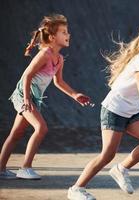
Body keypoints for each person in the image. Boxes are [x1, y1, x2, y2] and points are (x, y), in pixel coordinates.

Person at [67, 21, 139, 200]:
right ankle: (76, 189)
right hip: (114, 109)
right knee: (107, 154)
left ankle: (121, 169)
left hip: (132, 111)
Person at [0, 14, 91, 180]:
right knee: (41, 128)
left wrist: (75, 95)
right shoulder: (44, 55)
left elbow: (59, 82)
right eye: (64, 32)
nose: (68, 35)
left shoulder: (60, 59)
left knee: (16, 133)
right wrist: (27, 100)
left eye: (67, 31)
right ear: (52, 37)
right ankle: (25, 168)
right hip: (23, 96)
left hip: (33, 98)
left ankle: (0, 169)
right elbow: (27, 76)